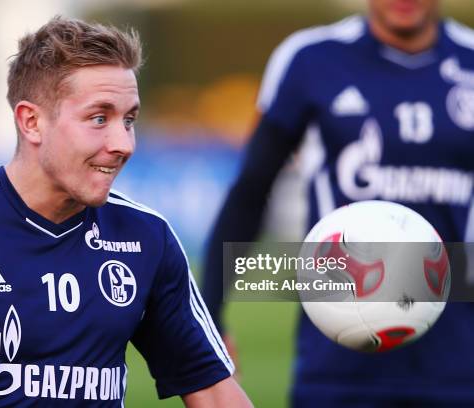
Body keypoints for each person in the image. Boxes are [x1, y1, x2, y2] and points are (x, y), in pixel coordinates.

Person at [0, 17, 252, 407]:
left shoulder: (146, 237)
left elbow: (213, 390)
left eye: (129, 119)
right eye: (99, 118)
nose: (123, 143)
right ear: (31, 122)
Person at [202, 0, 474, 406]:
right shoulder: (311, 58)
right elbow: (251, 192)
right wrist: (207, 318)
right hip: (337, 363)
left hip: (459, 359)